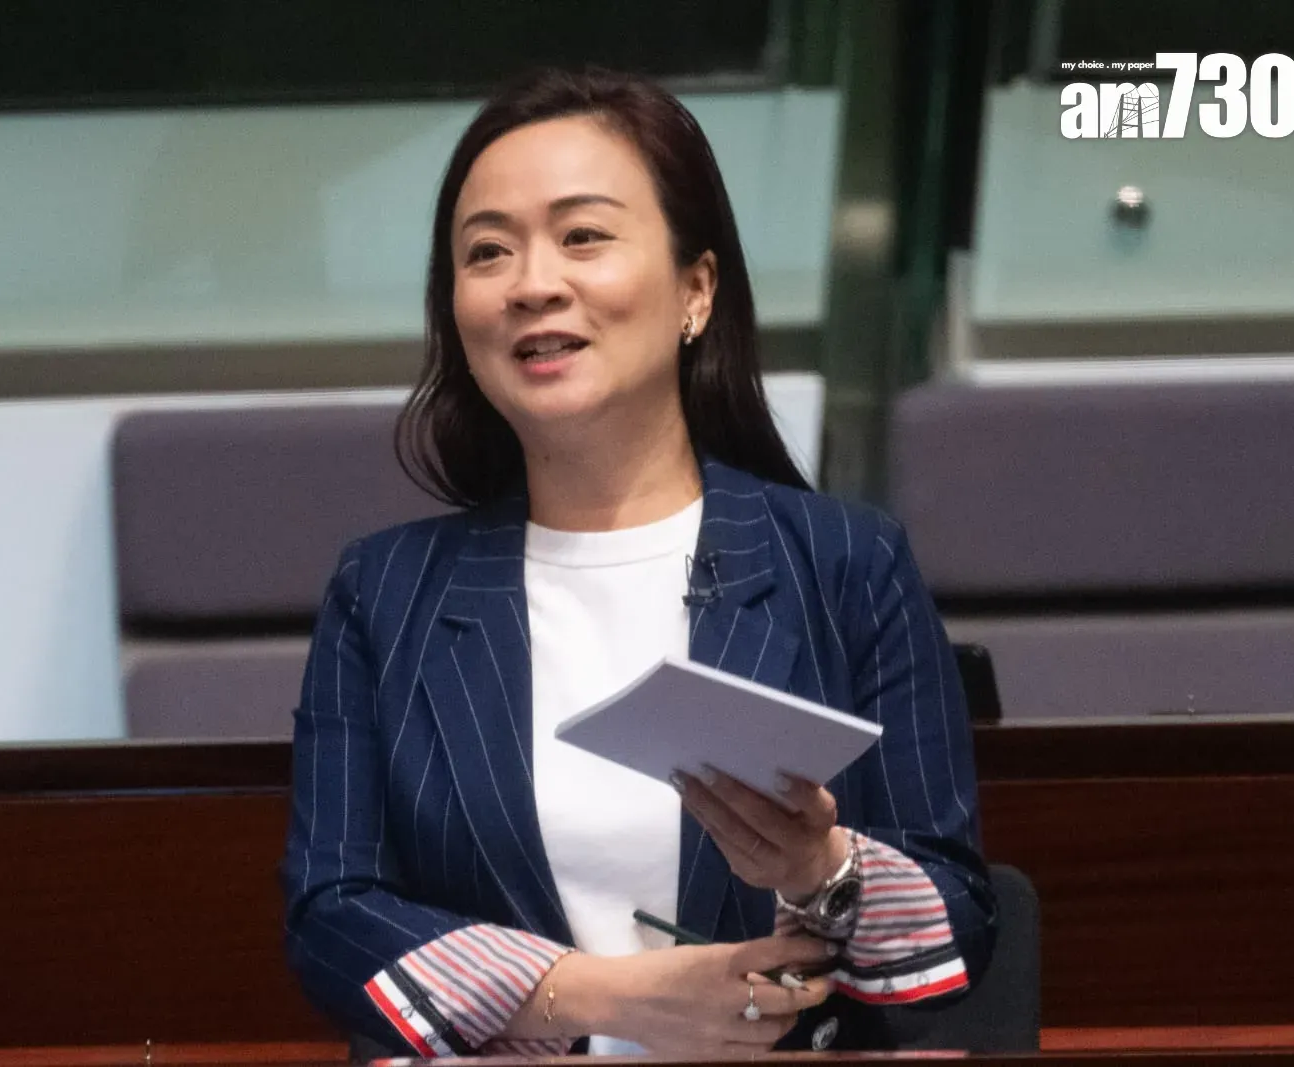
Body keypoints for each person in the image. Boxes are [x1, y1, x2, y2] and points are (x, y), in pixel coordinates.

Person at [280, 66, 994, 1057]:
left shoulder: (846, 564)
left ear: (695, 289)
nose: (533, 283)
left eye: (582, 236)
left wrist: (820, 866)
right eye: (488, 251)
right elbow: (331, 913)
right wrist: (599, 996)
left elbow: (960, 925)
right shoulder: (385, 593)